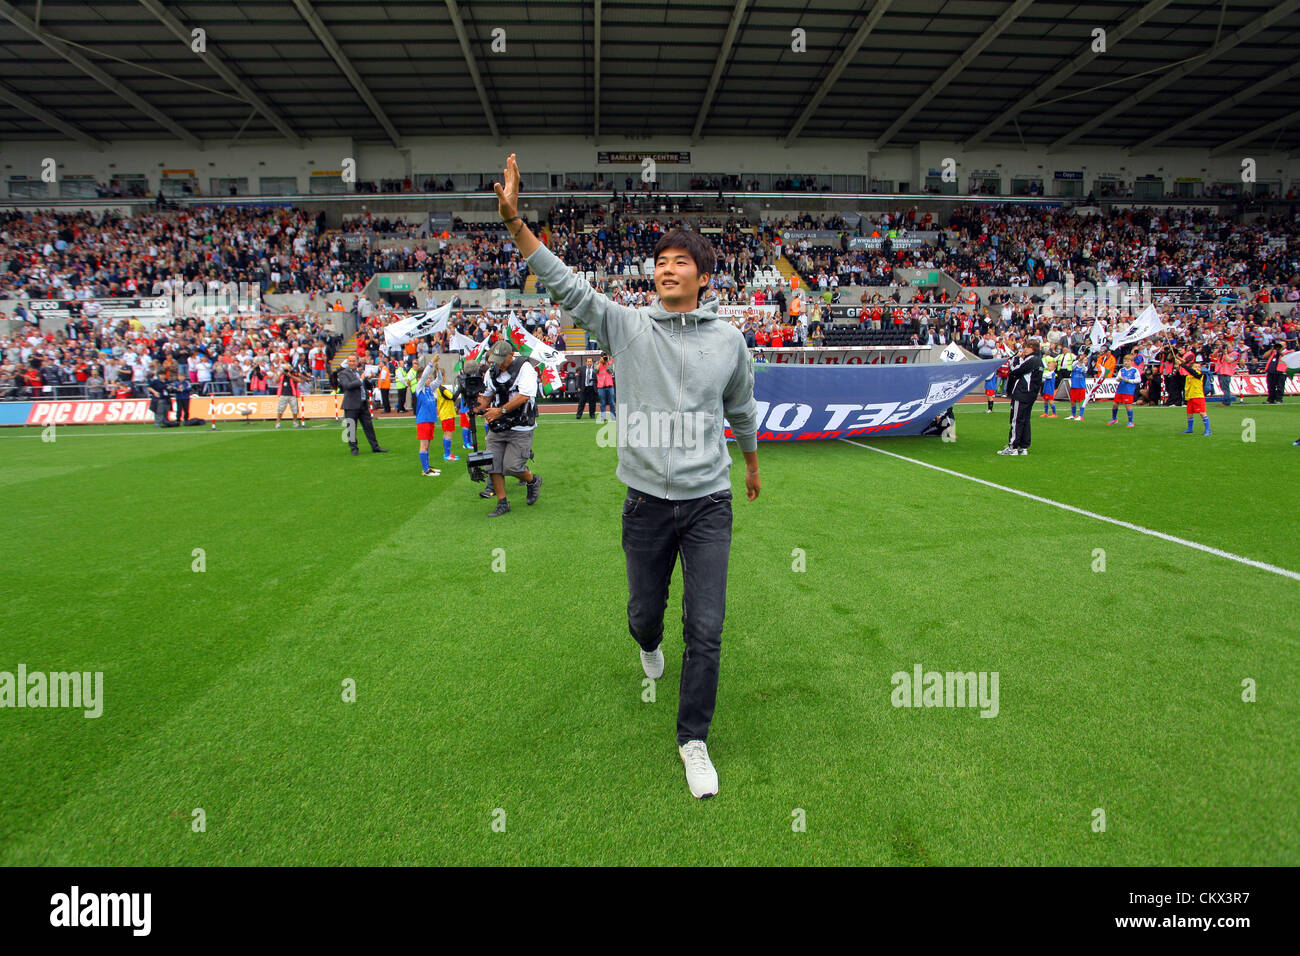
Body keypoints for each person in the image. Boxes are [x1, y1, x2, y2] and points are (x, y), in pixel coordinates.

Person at [495, 152, 760, 799]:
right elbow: (568, 287)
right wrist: (516, 226)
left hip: (708, 504)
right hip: (644, 503)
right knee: (646, 614)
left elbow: (742, 408)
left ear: (702, 275)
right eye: (661, 261)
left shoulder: (729, 339)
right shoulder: (626, 325)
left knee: (707, 627)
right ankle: (646, 644)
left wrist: (751, 463)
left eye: (680, 262)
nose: (667, 269)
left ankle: (692, 740)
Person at [475, 338, 542, 517]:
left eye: (501, 360)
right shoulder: (491, 372)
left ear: (510, 355)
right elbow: (487, 396)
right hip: (498, 427)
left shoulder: (525, 368)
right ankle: (502, 502)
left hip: (520, 426)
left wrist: (500, 411)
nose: (498, 365)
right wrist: (476, 405)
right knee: (493, 465)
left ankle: (532, 480)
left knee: (512, 466)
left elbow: (524, 396)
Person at [337, 355, 389, 455]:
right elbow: (347, 386)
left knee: (369, 426)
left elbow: (366, 386)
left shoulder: (360, 372)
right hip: (351, 405)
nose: (352, 363)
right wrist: (361, 380)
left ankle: (375, 446)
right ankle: (354, 449)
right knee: (351, 428)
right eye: (350, 361)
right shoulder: (343, 373)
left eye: (354, 361)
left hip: (363, 404)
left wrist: (369, 379)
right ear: (348, 362)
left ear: (357, 362)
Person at [999, 340, 1042, 455]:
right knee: (1025, 420)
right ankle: (1023, 446)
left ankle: (1012, 446)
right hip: (1030, 395)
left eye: (1026, 347)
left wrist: (1016, 358)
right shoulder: (1038, 361)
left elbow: (1015, 370)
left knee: (1016, 420)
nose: (1024, 350)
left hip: (1022, 393)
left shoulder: (1031, 360)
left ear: (1032, 348)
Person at [412, 360, 442, 476]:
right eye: (428, 378)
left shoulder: (430, 388)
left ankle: (427, 466)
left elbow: (439, 380)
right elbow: (424, 376)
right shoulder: (420, 388)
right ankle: (425, 470)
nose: (429, 379)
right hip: (423, 420)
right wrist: (431, 363)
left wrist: (437, 369)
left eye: (430, 378)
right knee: (423, 445)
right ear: (420, 379)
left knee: (428, 444)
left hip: (430, 420)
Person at [1180, 356, 1212, 436]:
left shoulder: (1199, 374)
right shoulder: (1188, 377)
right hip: (1190, 396)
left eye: (1199, 367)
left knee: (1202, 413)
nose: (1197, 368)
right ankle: (1190, 429)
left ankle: (1208, 430)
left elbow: (1191, 371)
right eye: (1195, 367)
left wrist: (1182, 365)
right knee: (1189, 413)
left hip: (1198, 396)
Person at [274, 360, 309, 429]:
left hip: (292, 394)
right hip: (283, 394)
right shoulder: (281, 376)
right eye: (285, 369)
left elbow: (299, 380)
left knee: (295, 409)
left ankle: (295, 422)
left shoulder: (293, 374)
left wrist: (290, 376)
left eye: (287, 368)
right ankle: (278, 423)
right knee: (280, 409)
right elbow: (276, 381)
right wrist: (281, 373)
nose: (286, 370)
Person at [1108, 354, 1140, 427]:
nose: (1126, 363)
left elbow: (1138, 380)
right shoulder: (1122, 370)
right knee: (1115, 404)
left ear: (1131, 362)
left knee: (1128, 405)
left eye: (1128, 361)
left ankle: (1130, 422)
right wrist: (1119, 379)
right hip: (1120, 389)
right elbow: (1117, 378)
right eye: (1125, 361)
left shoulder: (1134, 370)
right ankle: (1114, 419)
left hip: (1128, 390)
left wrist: (1129, 380)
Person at [575, 355, 598, 419]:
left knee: (592, 403)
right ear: (586, 362)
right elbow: (579, 378)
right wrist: (578, 386)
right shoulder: (582, 369)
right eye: (588, 361)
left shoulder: (595, 369)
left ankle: (592, 414)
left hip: (592, 387)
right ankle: (579, 415)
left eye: (590, 361)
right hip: (584, 387)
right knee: (581, 402)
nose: (589, 363)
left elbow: (597, 379)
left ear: (592, 362)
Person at [1067, 351, 1088, 420]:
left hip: (1081, 386)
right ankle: (1073, 415)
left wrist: (1081, 362)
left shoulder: (1084, 367)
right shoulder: (1075, 365)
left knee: (1081, 401)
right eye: (1084, 359)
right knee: (1073, 401)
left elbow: (1084, 370)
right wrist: (1079, 360)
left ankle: (1081, 416)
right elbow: (1072, 366)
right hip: (1074, 386)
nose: (1085, 361)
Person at [596, 355, 616, 422]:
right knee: (602, 403)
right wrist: (600, 363)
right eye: (603, 357)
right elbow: (595, 371)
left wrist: (606, 363)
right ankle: (603, 417)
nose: (604, 358)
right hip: (601, 387)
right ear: (600, 357)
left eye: (605, 357)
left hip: (610, 386)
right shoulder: (597, 363)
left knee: (612, 402)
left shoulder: (610, 362)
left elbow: (610, 371)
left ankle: (613, 416)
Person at [1040, 346, 1058, 418]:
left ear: (1054, 367)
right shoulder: (1049, 372)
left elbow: (1044, 375)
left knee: (1050, 401)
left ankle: (1054, 413)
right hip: (1046, 388)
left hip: (1049, 389)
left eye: (1050, 366)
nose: (1048, 367)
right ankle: (1046, 412)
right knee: (1045, 401)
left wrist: (1039, 373)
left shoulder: (1051, 373)